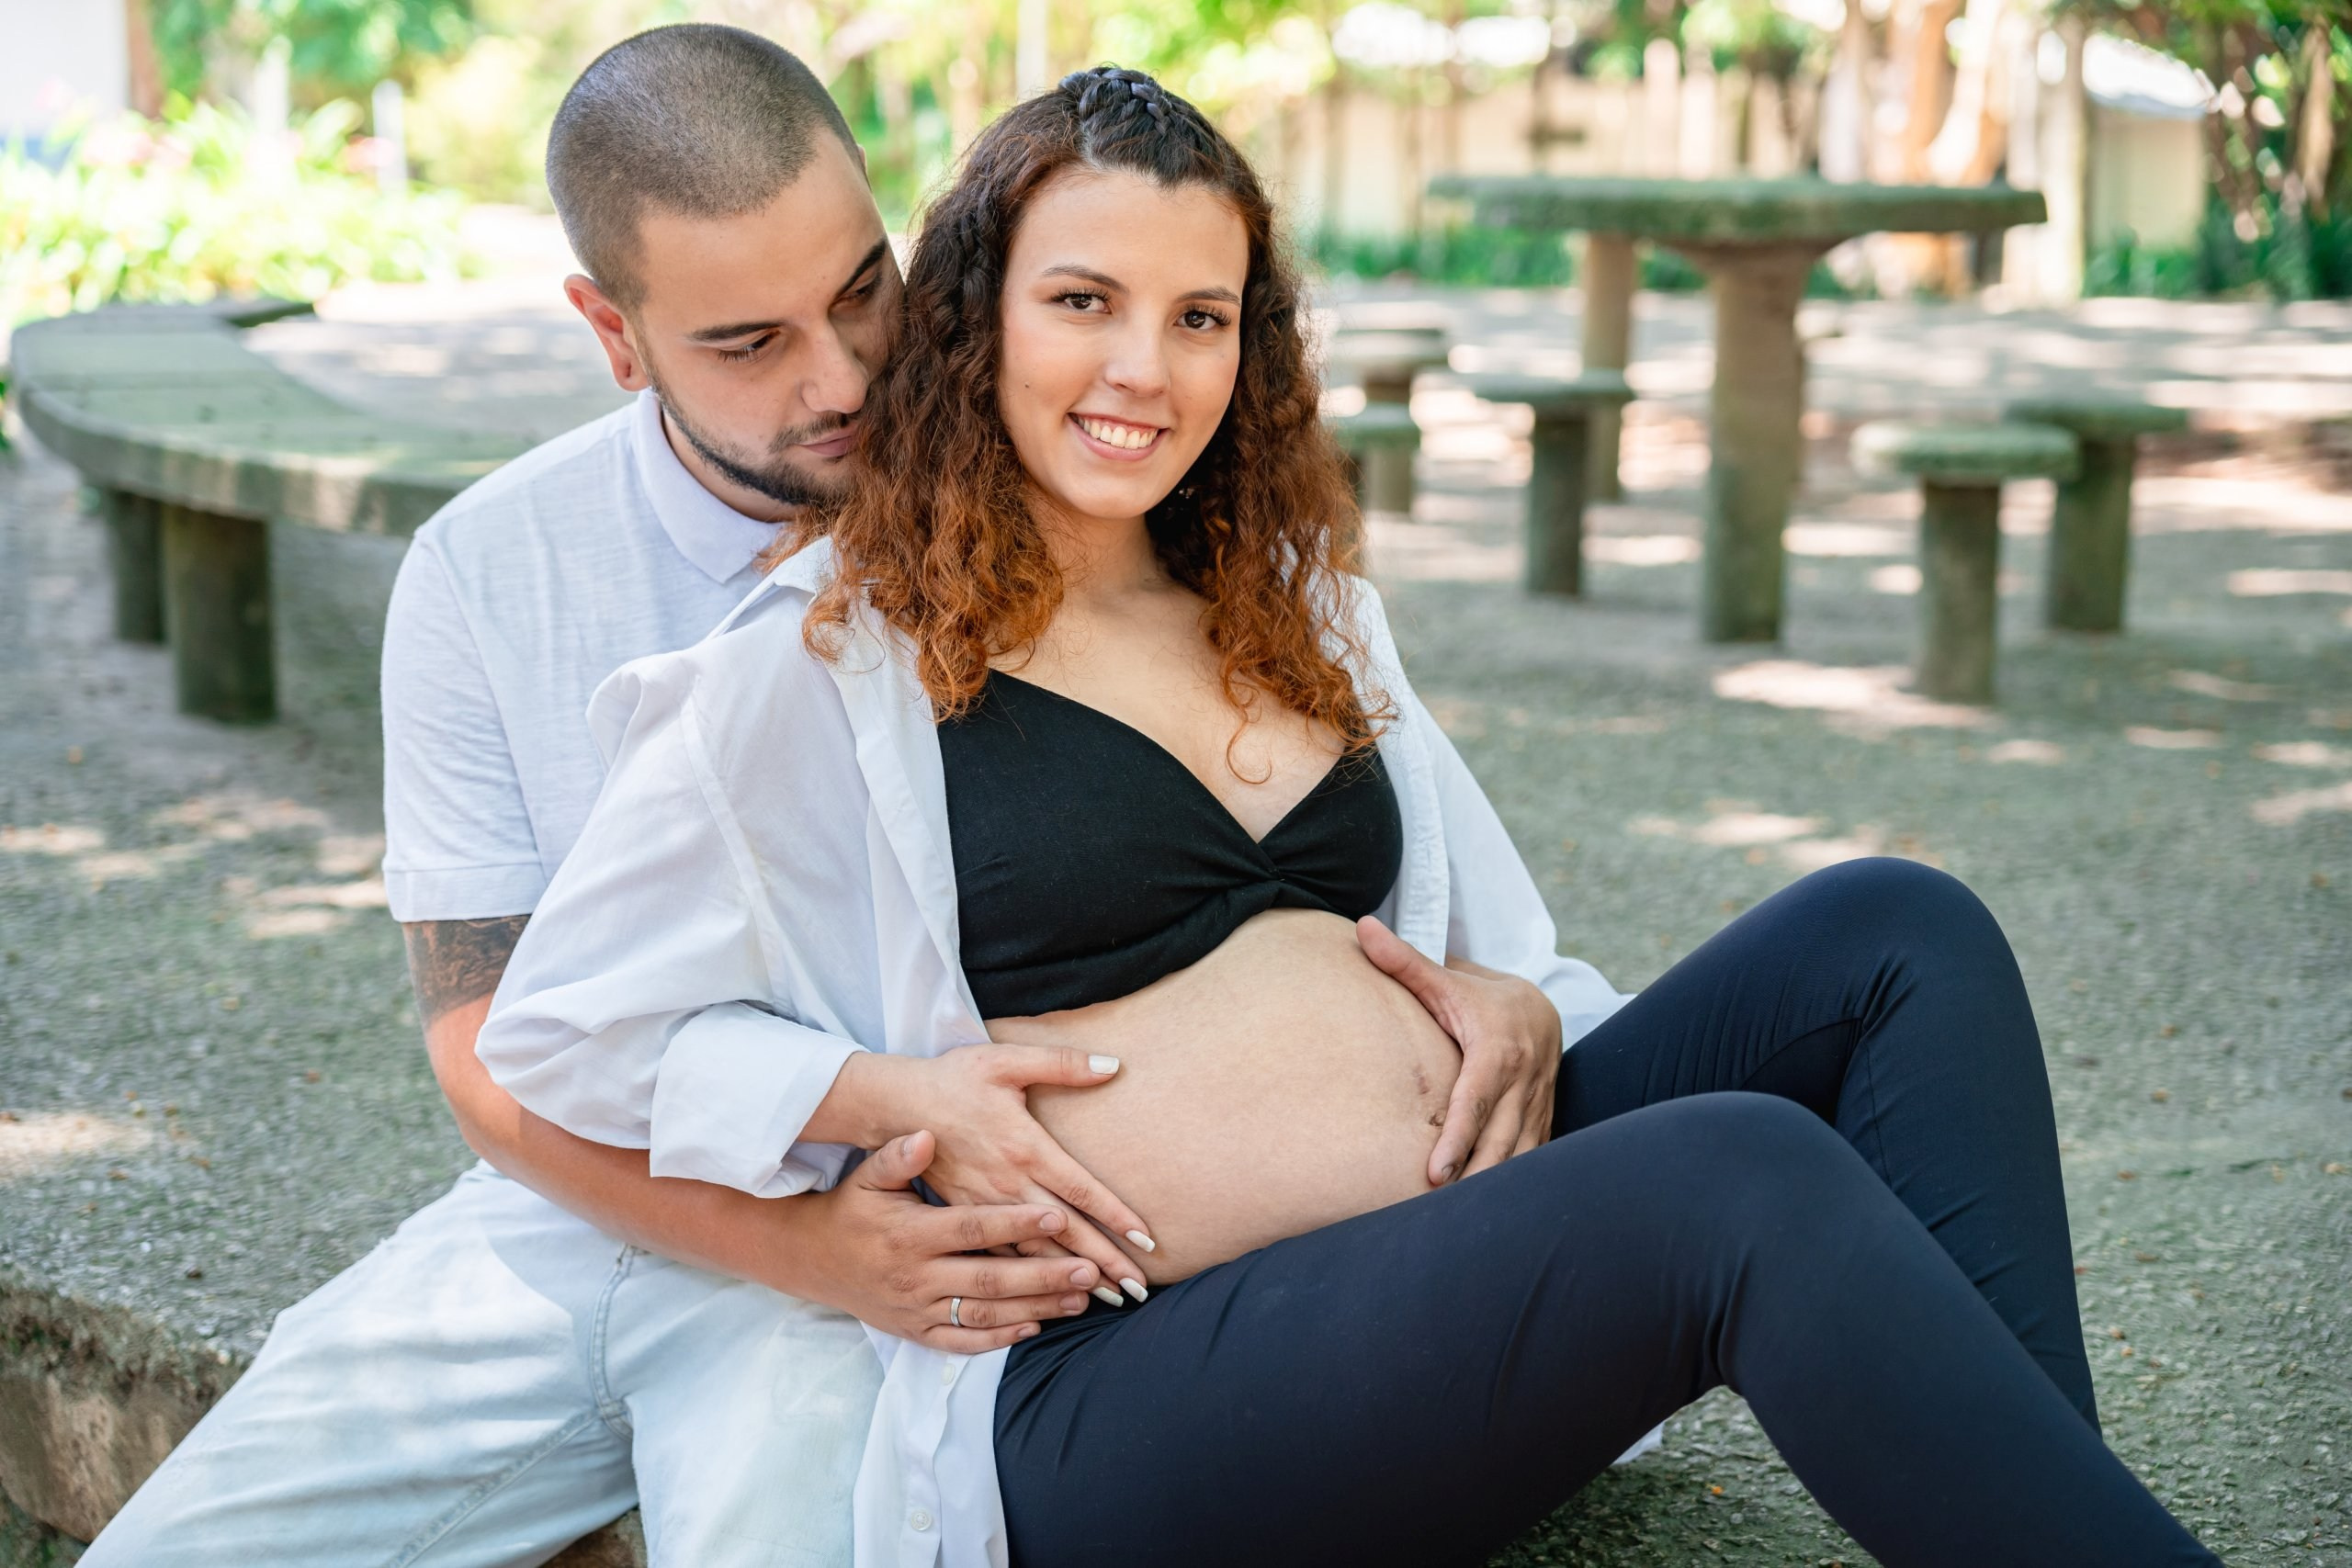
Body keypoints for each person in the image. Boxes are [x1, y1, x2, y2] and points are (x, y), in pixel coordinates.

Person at [476, 65, 2221, 1568]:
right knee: (1741, 1180)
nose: (1143, 367)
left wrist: (1521, 1004)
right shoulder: (830, 660)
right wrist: (882, 1095)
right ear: (976, 312)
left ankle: (2034, 1505)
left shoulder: (1295, 604)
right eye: (1082, 300)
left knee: (1899, 933)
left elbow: (1493, 952)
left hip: (1429, 1267)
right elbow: (564, 1033)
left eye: (1201, 316)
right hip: (1117, 1389)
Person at [83, 28, 1113, 1565]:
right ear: (614, 336)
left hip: (890, 1233)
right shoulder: (485, 569)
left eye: (860, 291)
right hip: (571, 1221)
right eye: (747, 343)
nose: (842, 377)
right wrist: (794, 1247)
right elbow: (484, 1053)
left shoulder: (1034, 506)